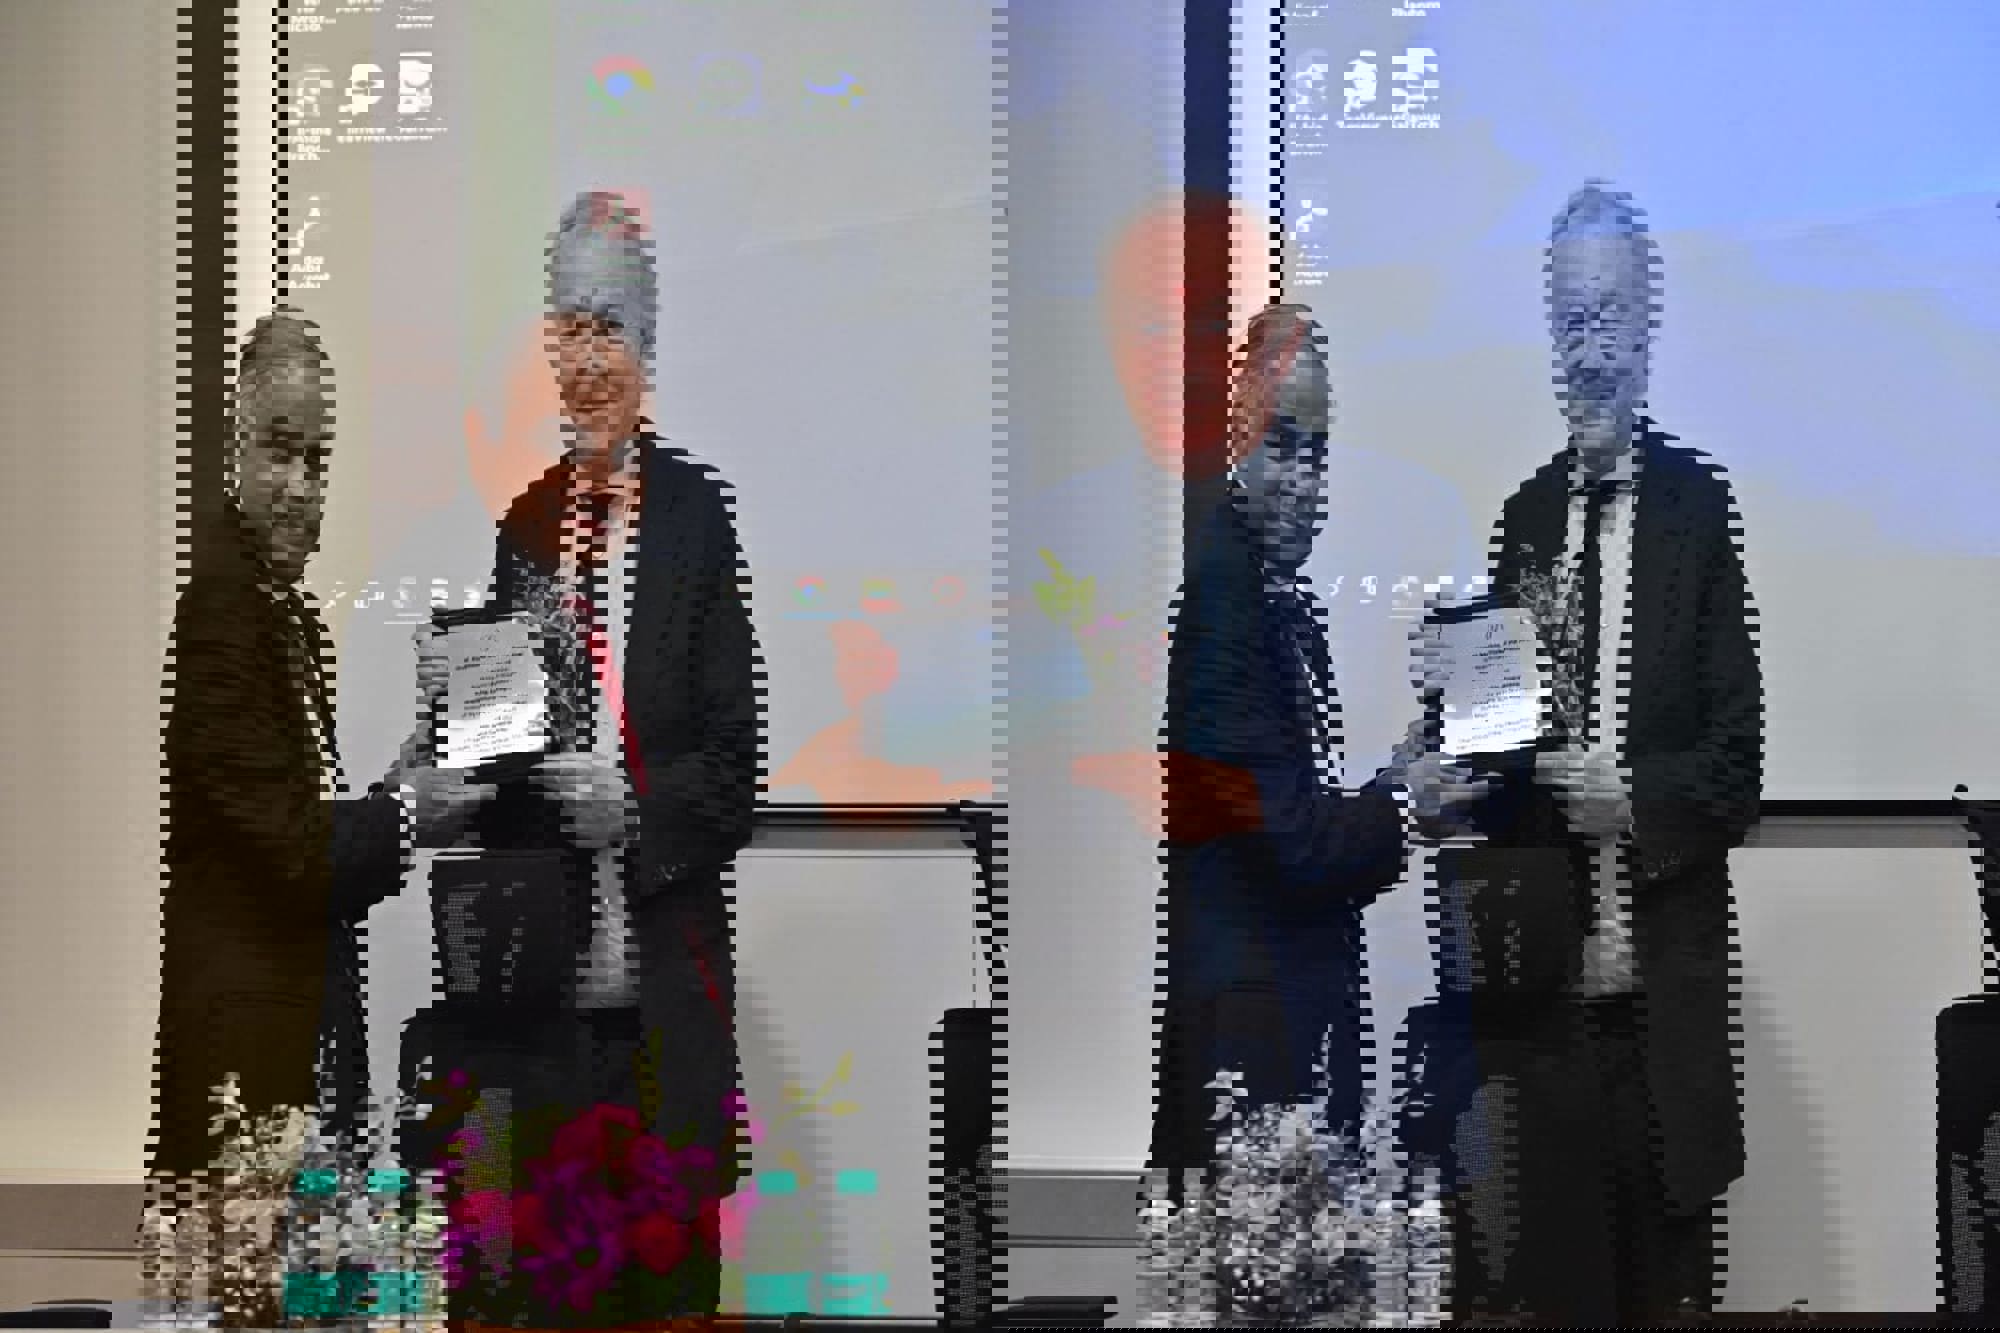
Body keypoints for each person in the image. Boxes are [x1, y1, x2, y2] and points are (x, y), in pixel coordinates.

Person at [391, 191, 761, 1321]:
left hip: (660, 1022)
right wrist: (441, 758)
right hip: (537, 1025)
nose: (588, 359)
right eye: (568, 329)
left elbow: (736, 771)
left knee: (666, 1308)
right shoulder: (523, 527)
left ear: (647, 346)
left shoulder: (699, 520)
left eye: (609, 328)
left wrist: (633, 808)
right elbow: (501, 751)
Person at [1431, 181, 1764, 1322]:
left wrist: (1633, 800)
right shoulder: (1521, 521)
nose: (1589, 347)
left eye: (1610, 315)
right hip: (1547, 1023)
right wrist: (1454, 754)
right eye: (1569, 319)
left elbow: (1736, 766)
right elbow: (1496, 766)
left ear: (1649, 323)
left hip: (1664, 1026)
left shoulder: (1698, 511)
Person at [1139, 303, 1484, 1321]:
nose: (1301, 477)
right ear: (1234, 440)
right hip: (1254, 1062)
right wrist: (1402, 803)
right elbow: (1291, 848)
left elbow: (1285, 810)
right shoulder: (1226, 597)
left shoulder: (1268, 596)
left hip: (1279, 1046)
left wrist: (1391, 781)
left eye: (1317, 450)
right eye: (1280, 443)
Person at [147, 311, 411, 1293]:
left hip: (295, 1075)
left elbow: (303, 835)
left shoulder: (288, 618)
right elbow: (296, 855)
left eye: (318, 461)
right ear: (233, 450)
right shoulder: (223, 606)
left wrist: (400, 784)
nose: (301, 486)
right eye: (279, 450)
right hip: (247, 1090)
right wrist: (414, 814)